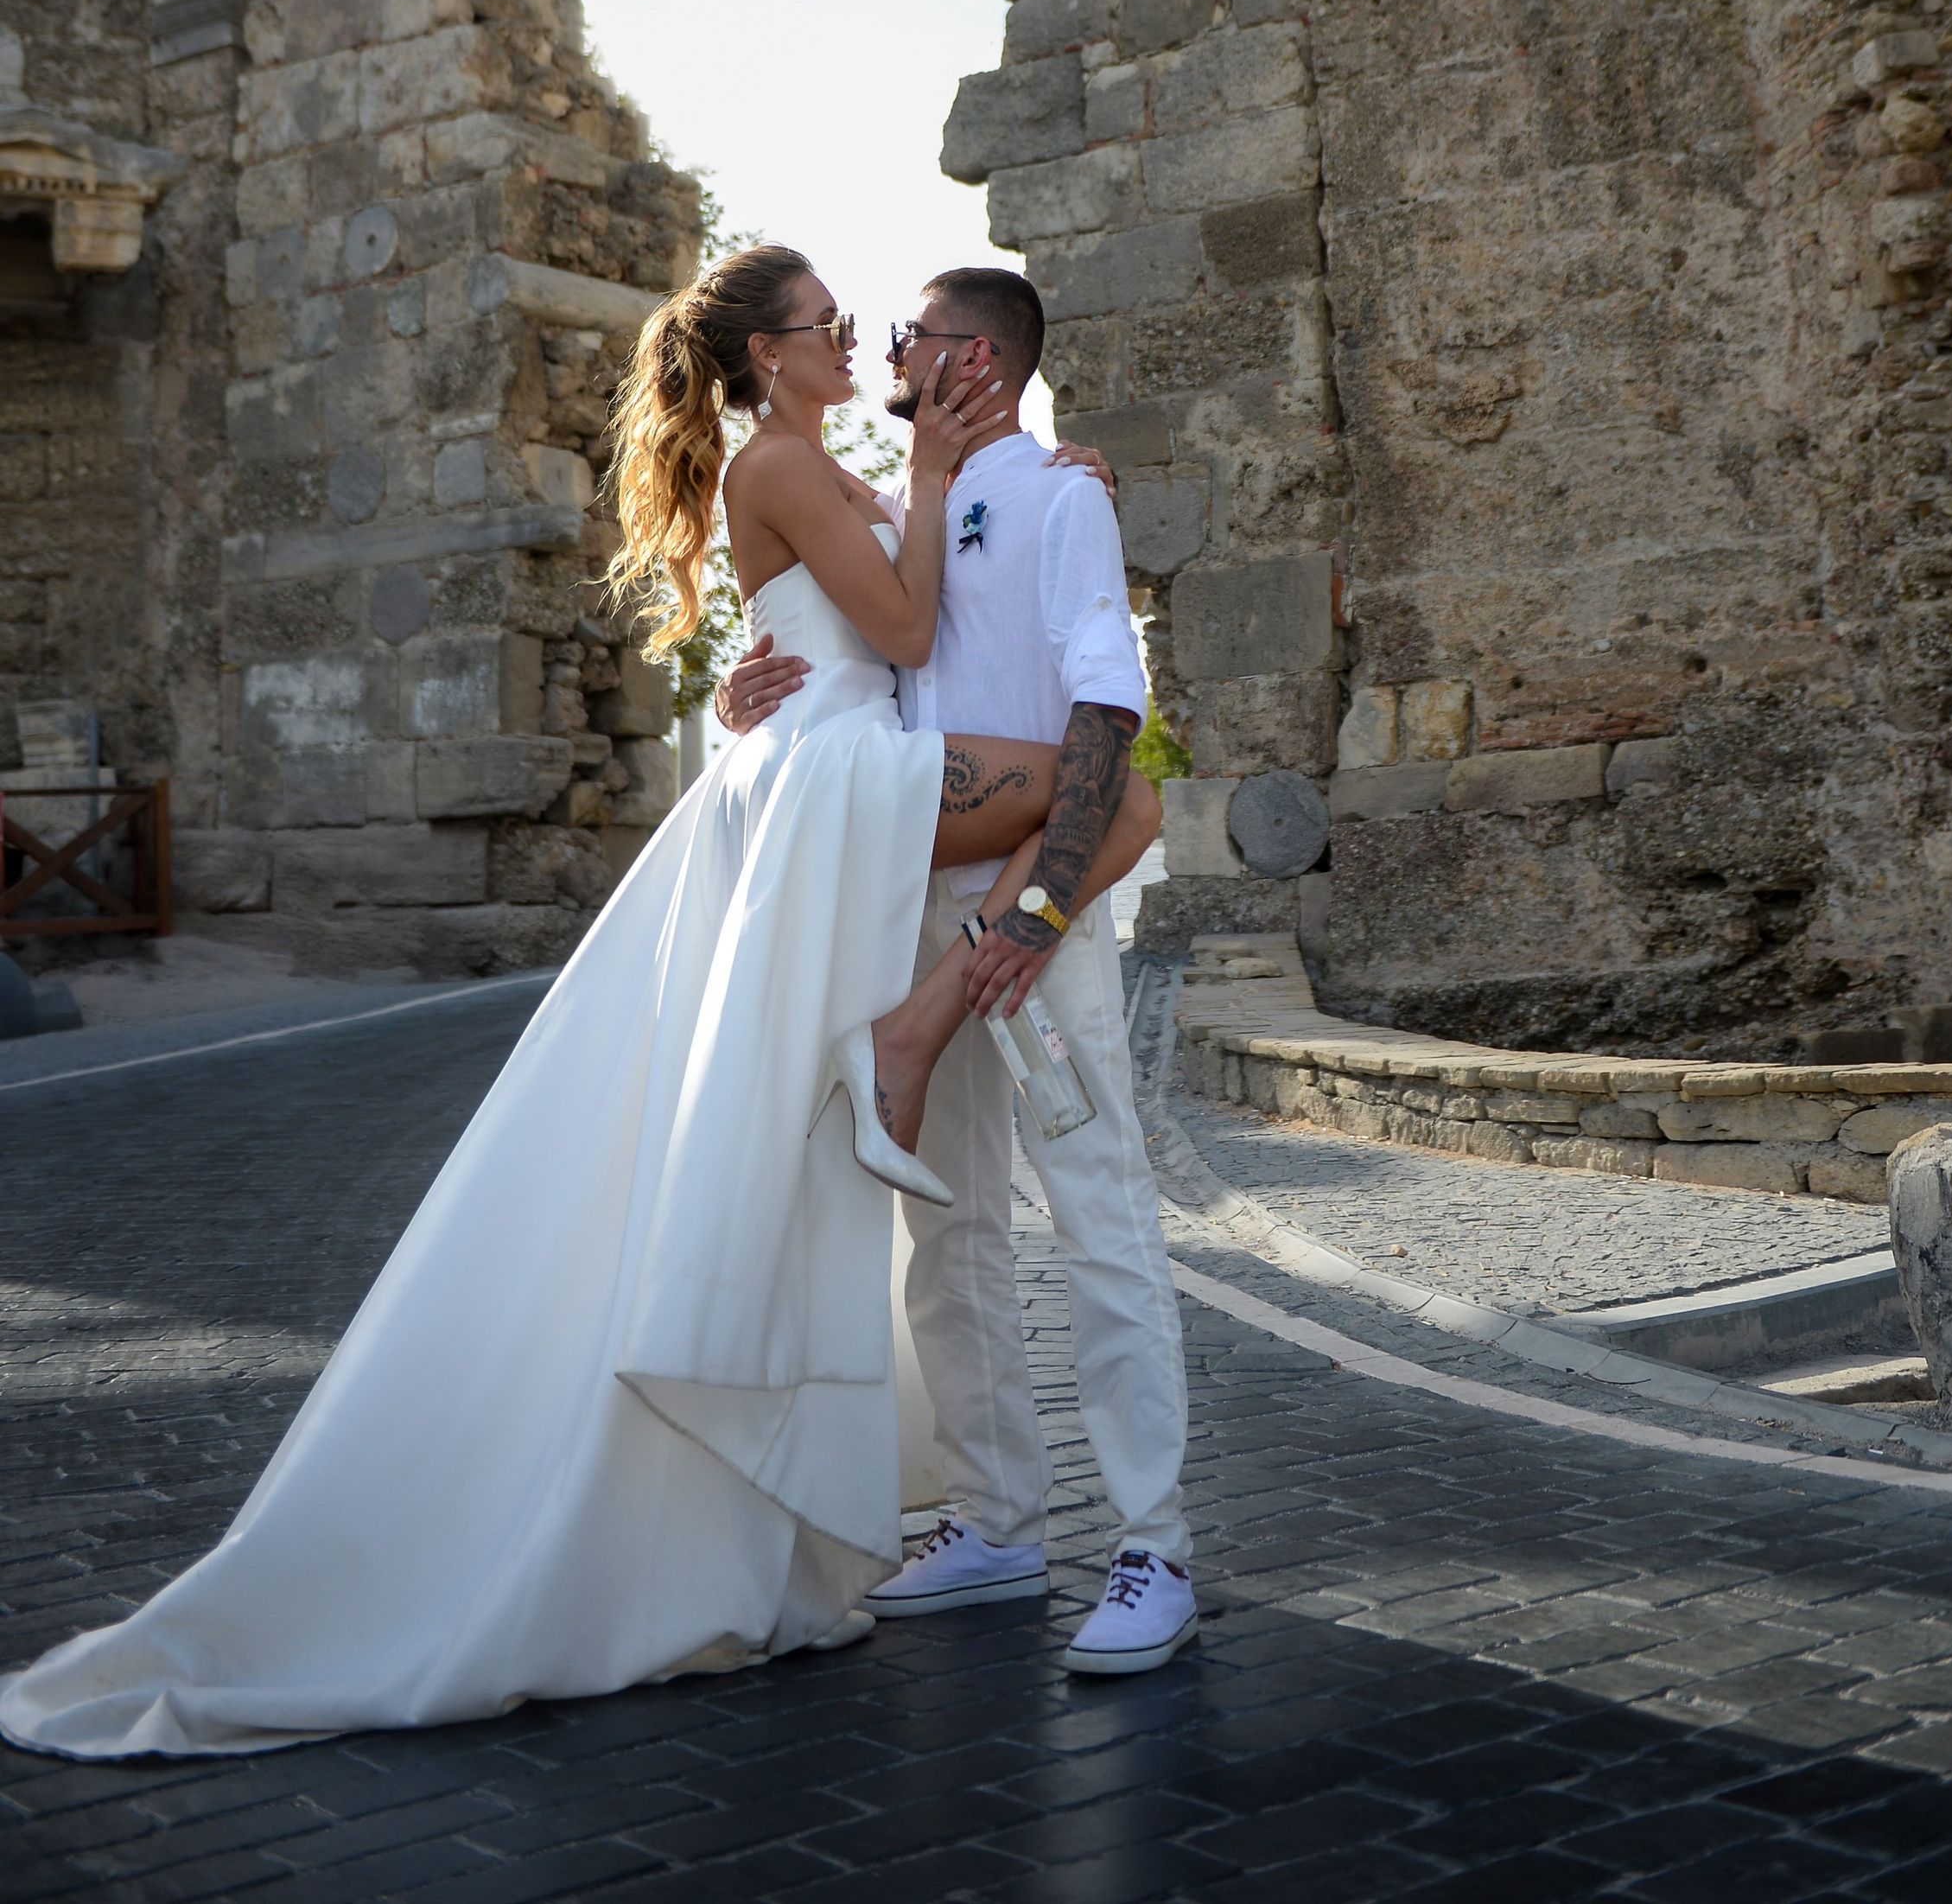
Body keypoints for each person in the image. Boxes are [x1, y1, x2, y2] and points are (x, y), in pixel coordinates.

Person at [0, 245, 1159, 1760]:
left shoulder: (843, 464)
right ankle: (924, 1043)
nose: (860, 338)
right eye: (830, 325)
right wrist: (936, 482)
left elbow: (919, 607)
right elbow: (898, 632)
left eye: (882, 329)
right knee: (1111, 805)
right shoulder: (792, 460)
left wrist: (1024, 478)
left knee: (1045, 917)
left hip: (845, 784)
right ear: (764, 357)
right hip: (842, 792)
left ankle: (929, 1062)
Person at [717, 264, 1197, 1677]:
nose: (892, 347)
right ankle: (994, 1519)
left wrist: (1046, 903)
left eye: (916, 333)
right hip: (903, 895)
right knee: (954, 1229)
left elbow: (1114, 699)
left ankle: (1153, 1543)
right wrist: (747, 679)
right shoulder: (904, 493)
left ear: (974, 357)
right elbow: (851, 649)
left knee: (1099, 1206)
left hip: (1030, 908)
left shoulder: (1063, 495)